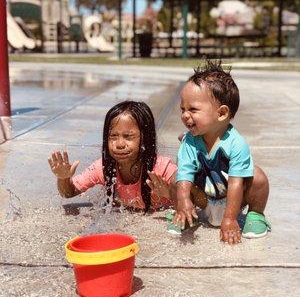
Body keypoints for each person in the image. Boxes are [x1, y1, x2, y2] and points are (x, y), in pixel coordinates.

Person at [170, 59, 271, 244]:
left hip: (235, 199)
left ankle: (256, 215)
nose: (185, 115)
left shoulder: (236, 143)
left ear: (222, 113)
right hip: (204, 198)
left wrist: (230, 218)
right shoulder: (190, 141)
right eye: (182, 109)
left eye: (193, 109)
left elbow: (235, 183)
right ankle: (184, 214)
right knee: (175, 177)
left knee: (258, 177)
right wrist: (183, 200)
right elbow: (184, 174)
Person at [48, 101, 177, 212]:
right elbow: (68, 193)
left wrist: (171, 193)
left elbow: (192, 196)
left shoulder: (161, 168)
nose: (119, 144)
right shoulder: (104, 167)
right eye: (113, 136)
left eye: (128, 136)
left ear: (145, 139)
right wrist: (63, 179)